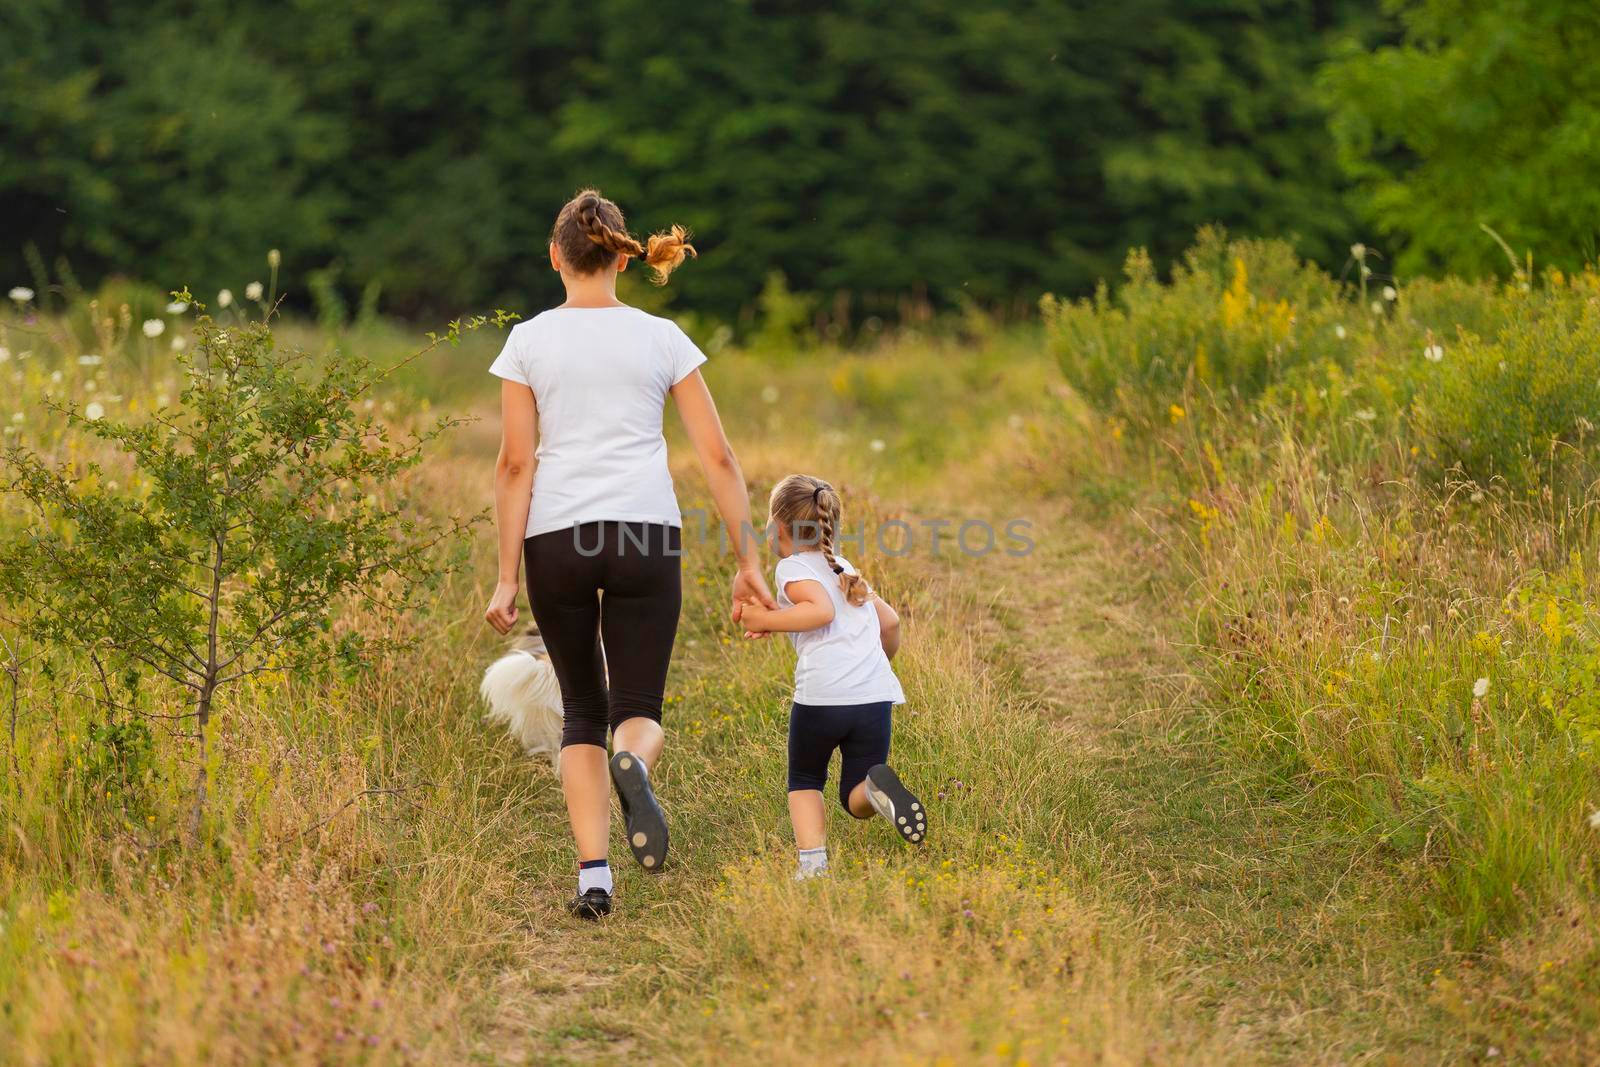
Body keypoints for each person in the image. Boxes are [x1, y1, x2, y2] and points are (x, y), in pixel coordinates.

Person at [483, 188, 775, 920]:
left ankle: (594, 876)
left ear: (556, 257)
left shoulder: (528, 340)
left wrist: (504, 577)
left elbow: (515, 465)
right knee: (637, 707)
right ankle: (634, 763)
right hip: (645, 533)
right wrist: (749, 561)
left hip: (559, 538)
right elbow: (717, 454)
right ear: (622, 255)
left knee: (582, 708)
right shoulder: (662, 336)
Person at [736, 474, 926, 880]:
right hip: (873, 696)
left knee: (805, 778)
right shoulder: (845, 568)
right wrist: (876, 666)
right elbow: (889, 624)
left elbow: (819, 610)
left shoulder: (790, 567)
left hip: (823, 698)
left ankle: (813, 866)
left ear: (779, 527)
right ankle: (876, 793)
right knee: (855, 792)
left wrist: (766, 618)